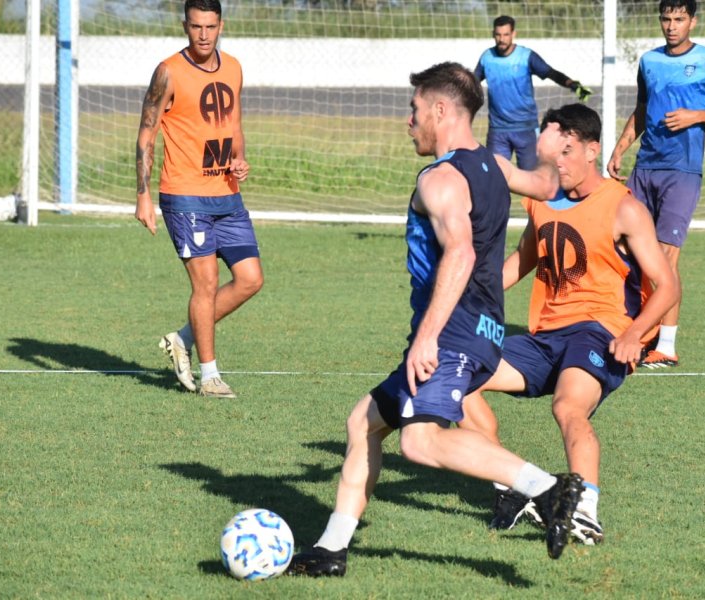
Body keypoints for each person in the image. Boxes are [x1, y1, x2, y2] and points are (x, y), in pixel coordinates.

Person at [287, 62, 583, 578]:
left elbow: (461, 255)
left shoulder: (440, 178)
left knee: (418, 441)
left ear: (441, 110)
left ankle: (544, 486)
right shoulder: (494, 165)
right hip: (485, 331)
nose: (410, 120)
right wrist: (552, 152)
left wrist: (426, 338)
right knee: (363, 423)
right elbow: (543, 183)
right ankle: (331, 549)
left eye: (415, 109)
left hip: (451, 333)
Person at [460, 103, 680, 545]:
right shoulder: (542, 203)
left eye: (567, 151)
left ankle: (584, 512)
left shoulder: (623, 208)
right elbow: (520, 263)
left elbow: (668, 285)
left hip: (601, 331)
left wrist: (635, 333)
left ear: (592, 150)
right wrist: (463, 297)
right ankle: (517, 486)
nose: (556, 162)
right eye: (551, 152)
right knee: (458, 382)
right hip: (544, 336)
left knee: (568, 407)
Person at [607, 0, 705, 368]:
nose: (671, 25)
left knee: (666, 258)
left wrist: (696, 116)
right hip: (644, 168)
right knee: (622, 245)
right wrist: (620, 149)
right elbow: (640, 110)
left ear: (692, 22)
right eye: (666, 19)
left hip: (682, 171)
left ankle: (664, 345)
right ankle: (630, 326)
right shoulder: (649, 61)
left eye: (679, 19)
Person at [135, 0, 262, 398]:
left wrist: (239, 160)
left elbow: (234, 124)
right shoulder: (168, 72)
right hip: (185, 195)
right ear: (185, 26)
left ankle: (182, 337)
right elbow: (146, 134)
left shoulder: (234, 67)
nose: (203, 34)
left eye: (210, 26)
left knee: (250, 279)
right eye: (195, 27)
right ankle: (210, 376)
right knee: (205, 284)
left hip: (227, 195)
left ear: (220, 25)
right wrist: (142, 196)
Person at [474, 14, 592, 171]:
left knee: (532, 180)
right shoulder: (487, 57)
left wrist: (572, 84)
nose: (502, 39)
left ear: (513, 34)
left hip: (526, 129)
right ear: (493, 34)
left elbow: (551, 73)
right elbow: (472, 82)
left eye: (506, 35)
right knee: (494, 177)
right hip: (498, 130)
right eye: (498, 35)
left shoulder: (526, 56)